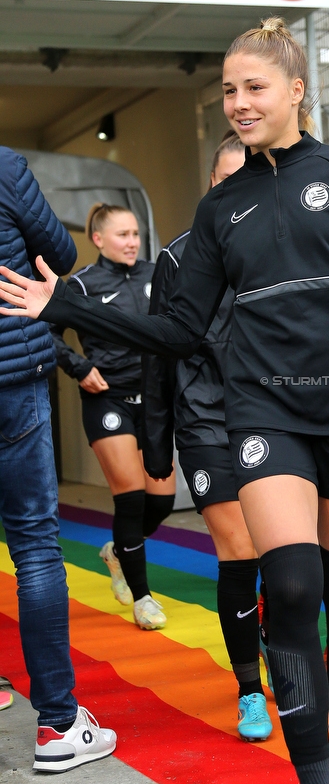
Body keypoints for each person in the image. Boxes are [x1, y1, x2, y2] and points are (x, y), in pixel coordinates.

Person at [0, 18, 329, 784]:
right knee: (290, 587)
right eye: (228, 90)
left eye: (253, 87)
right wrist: (66, 309)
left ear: (296, 90)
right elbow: (183, 325)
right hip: (263, 416)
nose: (238, 102)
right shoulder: (221, 204)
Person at [142, 133, 273, 743]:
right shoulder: (177, 257)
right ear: (211, 185)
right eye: (225, 180)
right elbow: (159, 346)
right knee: (239, 548)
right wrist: (156, 437)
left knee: (283, 553)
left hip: (279, 415)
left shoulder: (285, 242)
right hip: (207, 420)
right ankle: (250, 688)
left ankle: (280, 651)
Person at [0, 145, 116, 771]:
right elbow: (62, 257)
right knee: (35, 549)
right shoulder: (5, 168)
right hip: (12, 382)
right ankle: (58, 725)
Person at [51, 204, 176, 631]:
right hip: (109, 399)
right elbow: (45, 329)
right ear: (99, 239)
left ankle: (118, 551)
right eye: (122, 234)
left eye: (136, 234)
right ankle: (143, 598)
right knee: (132, 496)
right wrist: (78, 367)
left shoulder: (157, 272)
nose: (132, 242)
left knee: (161, 501)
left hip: (155, 400)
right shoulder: (82, 284)